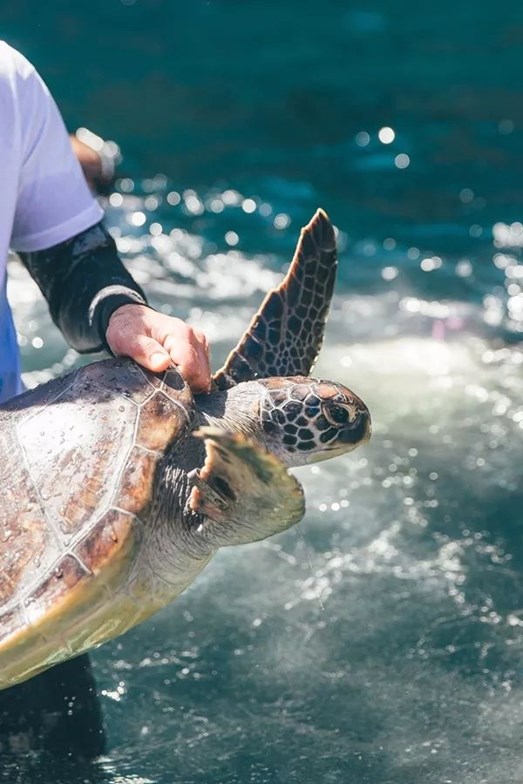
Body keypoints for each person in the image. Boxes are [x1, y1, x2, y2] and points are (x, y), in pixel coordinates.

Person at [0, 41, 211, 756]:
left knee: (60, 760)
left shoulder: (8, 79)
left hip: (11, 514)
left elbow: (70, 257)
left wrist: (121, 311)